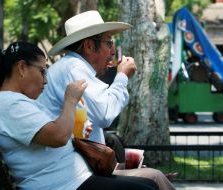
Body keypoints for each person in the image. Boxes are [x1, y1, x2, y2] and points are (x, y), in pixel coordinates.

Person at [0, 41, 159, 190]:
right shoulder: (11, 105)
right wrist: (70, 100)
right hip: (63, 185)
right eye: (42, 71)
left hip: (71, 181)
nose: (45, 80)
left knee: (149, 184)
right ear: (21, 68)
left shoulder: (13, 102)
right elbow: (58, 136)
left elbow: (57, 133)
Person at [38, 11, 175, 190]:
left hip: (82, 166)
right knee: (154, 178)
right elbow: (105, 114)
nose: (112, 51)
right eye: (109, 43)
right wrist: (122, 76)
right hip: (75, 174)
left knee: (154, 176)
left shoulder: (71, 66)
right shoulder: (74, 69)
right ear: (88, 46)